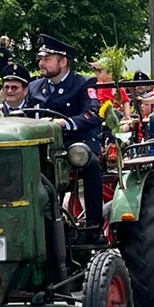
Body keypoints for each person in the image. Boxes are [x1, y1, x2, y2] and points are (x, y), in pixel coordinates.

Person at [26, 34, 104, 232]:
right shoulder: (35, 86)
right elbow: (25, 116)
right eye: (41, 59)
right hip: (40, 146)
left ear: (63, 61)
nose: (41, 63)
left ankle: (94, 224)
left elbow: (93, 114)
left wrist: (64, 123)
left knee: (91, 164)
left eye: (47, 59)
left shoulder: (83, 83)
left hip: (74, 144)